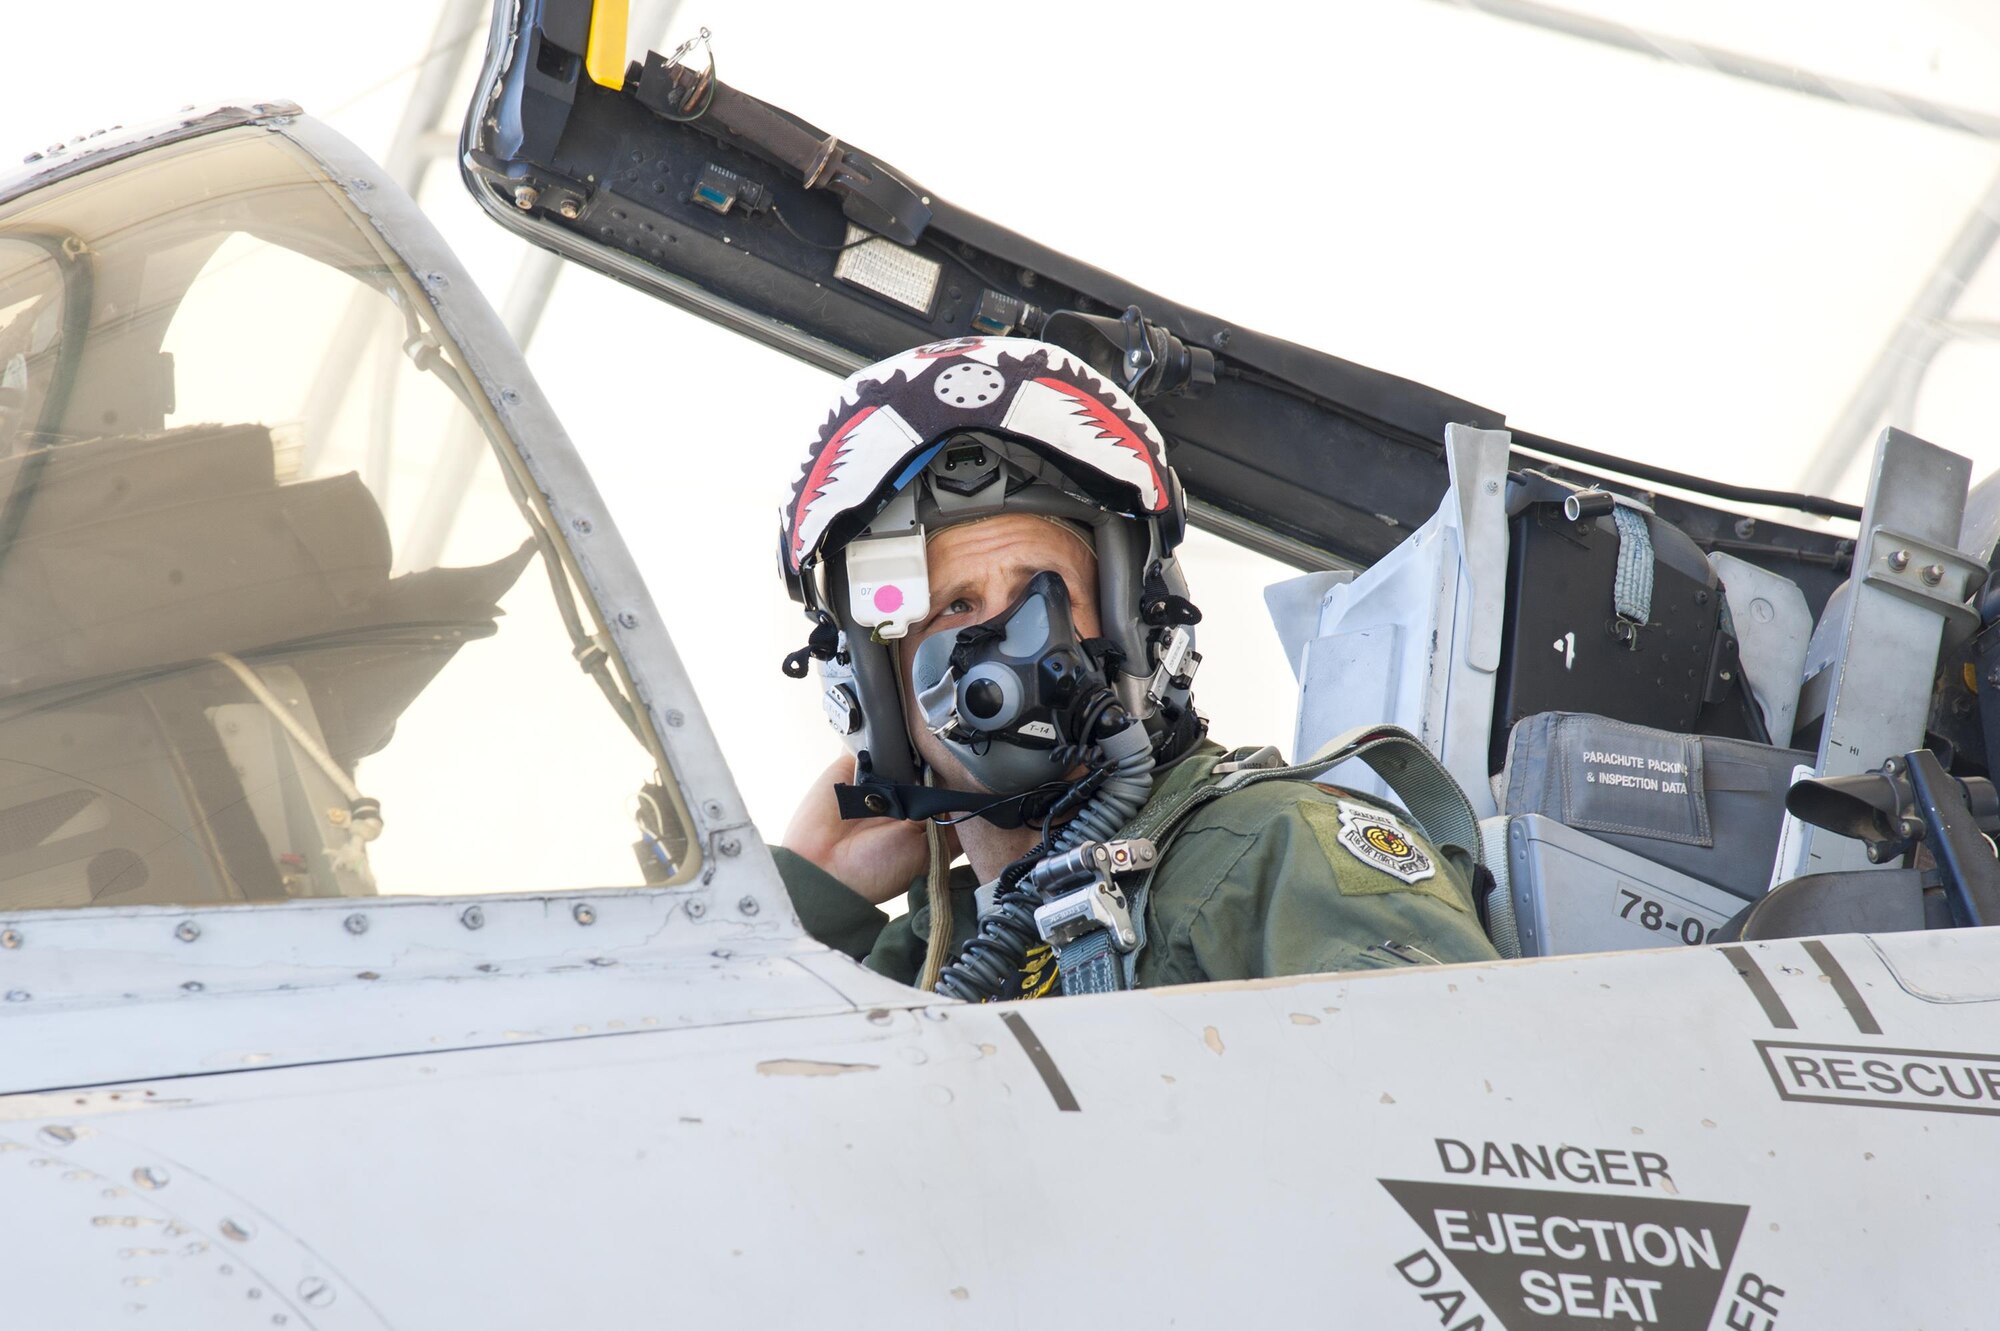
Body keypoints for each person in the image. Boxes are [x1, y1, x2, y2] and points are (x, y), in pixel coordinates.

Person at [770, 335, 1498, 997]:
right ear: (877, 689)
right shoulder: (929, 958)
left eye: (1042, 590)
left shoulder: (1268, 858)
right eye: (953, 607)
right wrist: (810, 889)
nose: (1010, 640)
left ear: (1137, 622)